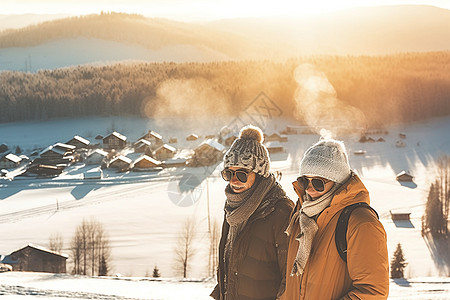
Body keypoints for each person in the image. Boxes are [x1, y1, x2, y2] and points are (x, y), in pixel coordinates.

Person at [284, 139, 389, 299]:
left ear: (337, 181)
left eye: (318, 182)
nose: (309, 188)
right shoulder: (301, 215)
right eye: (304, 181)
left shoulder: (361, 223)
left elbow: (373, 292)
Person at [210, 125, 294, 300]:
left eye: (242, 174)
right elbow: (230, 266)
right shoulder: (232, 209)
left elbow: (291, 280)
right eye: (228, 173)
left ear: (260, 173)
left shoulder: (280, 211)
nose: (234, 180)